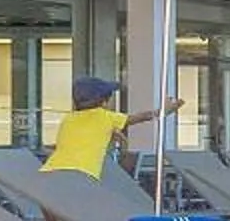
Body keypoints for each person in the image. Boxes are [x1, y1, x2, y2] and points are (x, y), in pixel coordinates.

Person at [41, 76, 179, 179]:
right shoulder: (106, 117)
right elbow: (144, 117)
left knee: (54, 208)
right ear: (104, 102)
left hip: (50, 170)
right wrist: (164, 110)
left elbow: (75, 140)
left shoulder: (68, 119)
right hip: (82, 173)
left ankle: (53, 219)